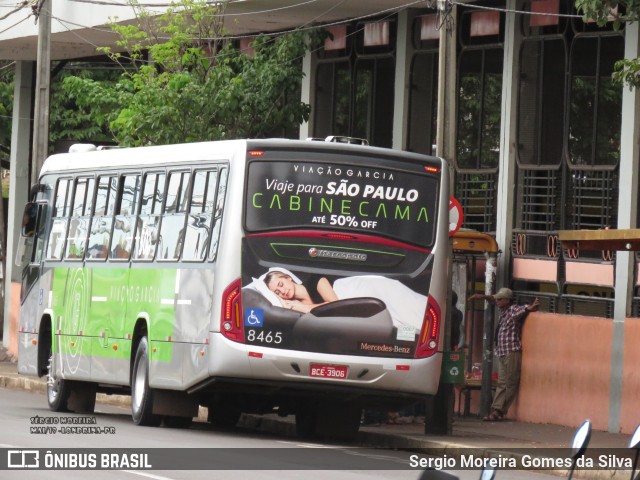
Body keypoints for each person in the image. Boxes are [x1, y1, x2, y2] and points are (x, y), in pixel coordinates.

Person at [467, 287, 540, 422]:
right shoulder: (503, 310)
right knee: (502, 382)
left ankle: (499, 410)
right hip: (502, 351)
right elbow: (492, 299)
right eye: (497, 299)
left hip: (511, 351)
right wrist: (481, 296)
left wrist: (531, 307)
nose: (497, 301)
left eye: (500, 299)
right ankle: (497, 409)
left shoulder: (512, 310)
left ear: (507, 300)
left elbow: (524, 309)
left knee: (510, 382)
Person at [263, 270, 337, 313]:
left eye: (281, 284)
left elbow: (336, 306)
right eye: (277, 292)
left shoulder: (315, 280)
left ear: (288, 278)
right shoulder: (293, 306)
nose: (282, 291)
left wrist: (302, 307)